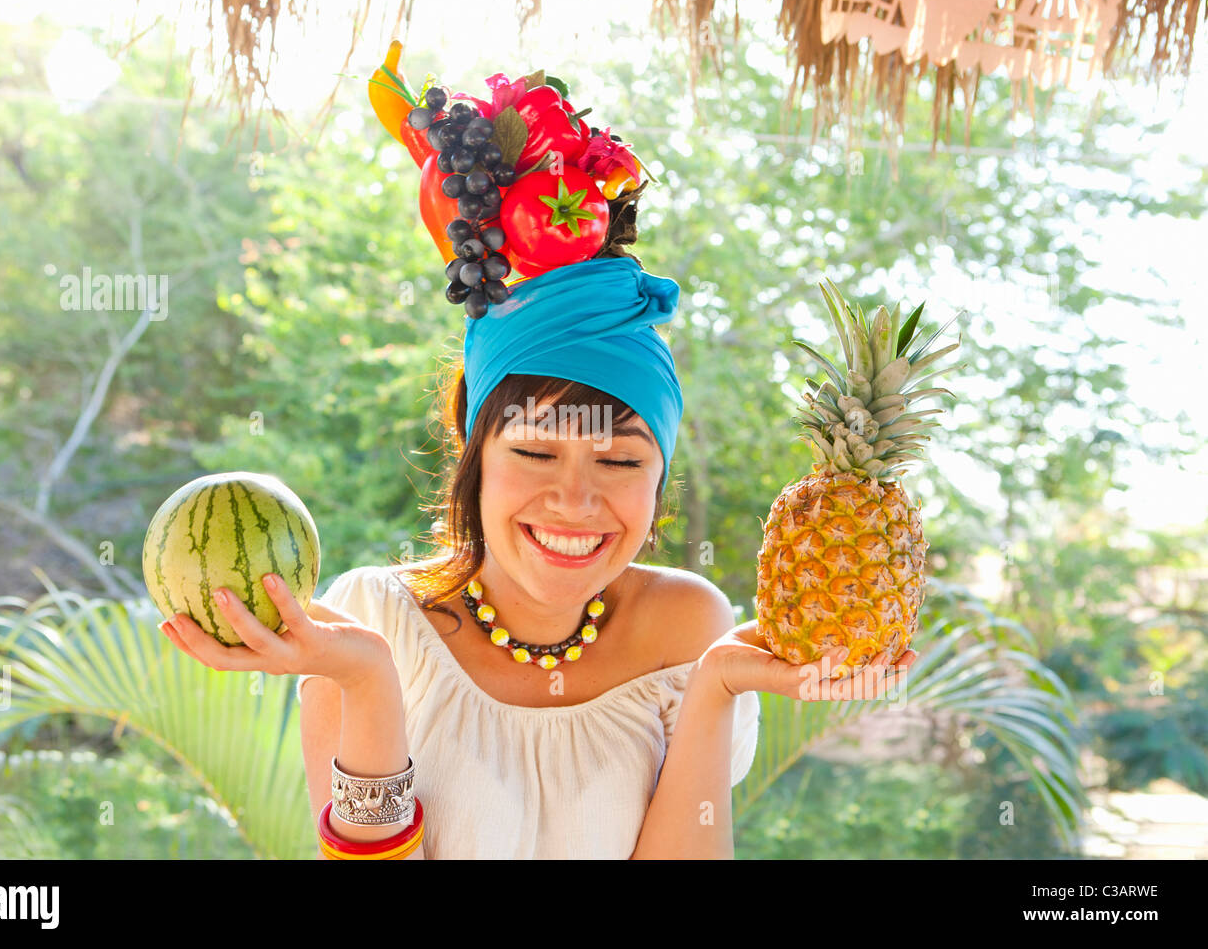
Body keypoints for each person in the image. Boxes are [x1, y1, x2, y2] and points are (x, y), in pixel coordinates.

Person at [157, 73, 918, 859]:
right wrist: (369, 682)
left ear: (661, 475)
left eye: (621, 459)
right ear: (473, 449)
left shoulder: (689, 628)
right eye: (533, 450)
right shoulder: (367, 622)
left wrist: (717, 685)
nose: (575, 499)